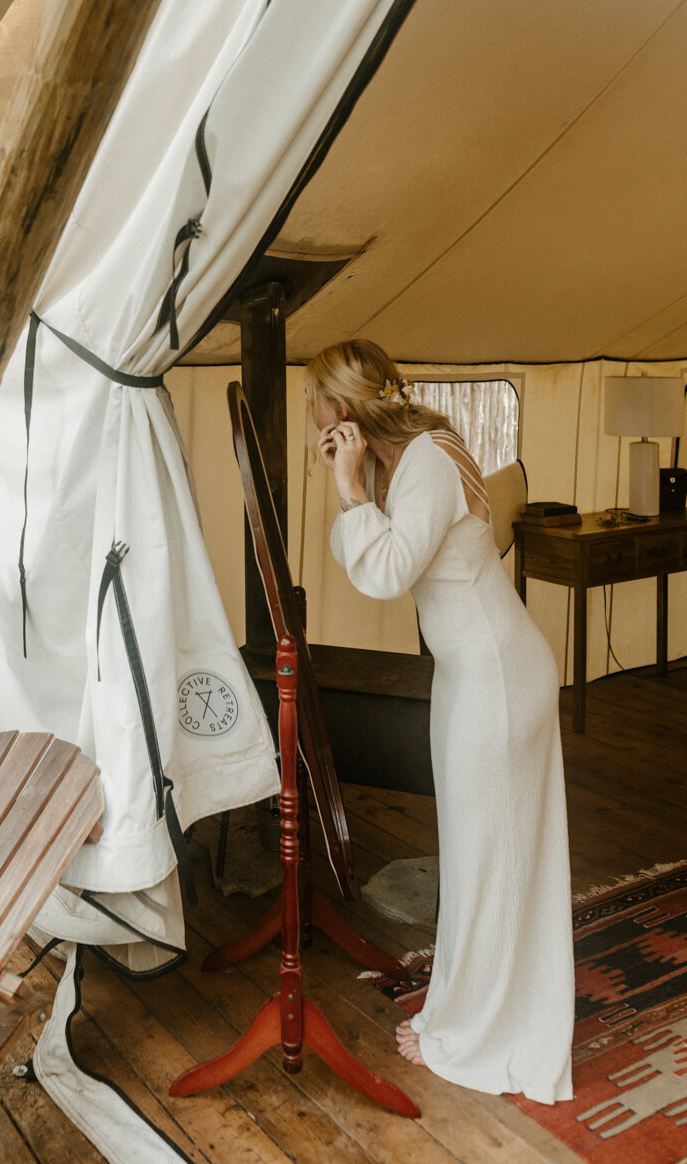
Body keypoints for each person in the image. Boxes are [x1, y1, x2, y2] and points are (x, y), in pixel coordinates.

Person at [307, 338, 574, 1105]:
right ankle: (471, 1011)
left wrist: (350, 488)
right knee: (479, 853)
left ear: (345, 407)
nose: (310, 417)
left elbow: (386, 573)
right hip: (474, 672)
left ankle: (484, 1033)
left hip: (496, 674)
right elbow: (396, 560)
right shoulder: (416, 456)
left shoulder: (423, 456)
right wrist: (357, 482)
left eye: (315, 404)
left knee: (491, 856)